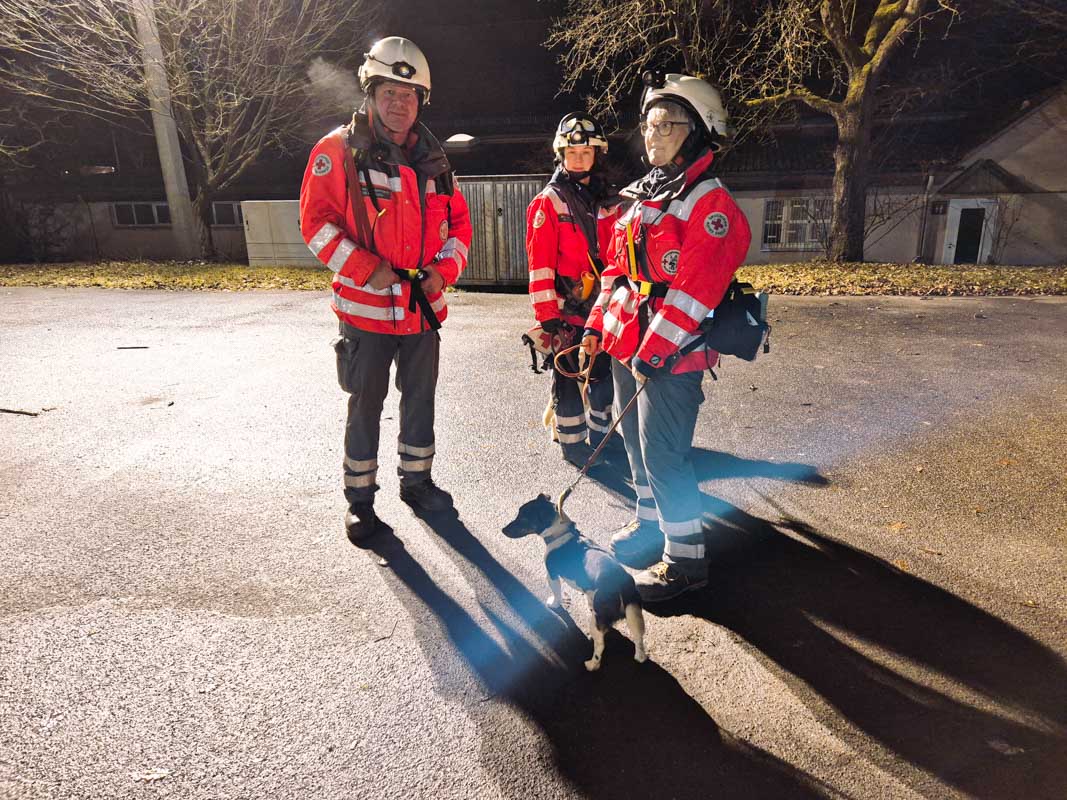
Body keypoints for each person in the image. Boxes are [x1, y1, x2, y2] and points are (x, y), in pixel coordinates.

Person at [583, 74, 752, 602]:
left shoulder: (710, 202)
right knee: (633, 441)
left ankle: (685, 561)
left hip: (671, 353)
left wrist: (653, 351)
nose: (654, 134)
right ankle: (648, 523)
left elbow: (697, 287)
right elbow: (617, 270)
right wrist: (595, 328)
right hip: (626, 343)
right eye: (650, 123)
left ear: (701, 132)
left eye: (670, 124)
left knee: (664, 453)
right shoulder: (645, 196)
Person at [299, 36, 472, 542]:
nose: (400, 104)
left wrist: (444, 271)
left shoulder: (434, 160)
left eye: (410, 95)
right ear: (370, 94)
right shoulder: (337, 152)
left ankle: (417, 485)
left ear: (421, 102)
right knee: (365, 405)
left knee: (421, 402)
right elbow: (315, 226)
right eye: (390, 93)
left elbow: (459, 227)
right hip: (366, 313)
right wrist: (366, 267)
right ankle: (360, 501)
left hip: (422, 312)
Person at [525, 113, 619, 465]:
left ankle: (602, 433)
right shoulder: (550, 202)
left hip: (603, 306)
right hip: (566, 307)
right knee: (567, 375)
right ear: (561, 155)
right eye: (572, 152)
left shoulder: (609, 199)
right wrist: (547, 316)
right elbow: (539, 265)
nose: (579, 158)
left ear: (597, 154)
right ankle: (572, 441)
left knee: (602, 373)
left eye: (586, 152)